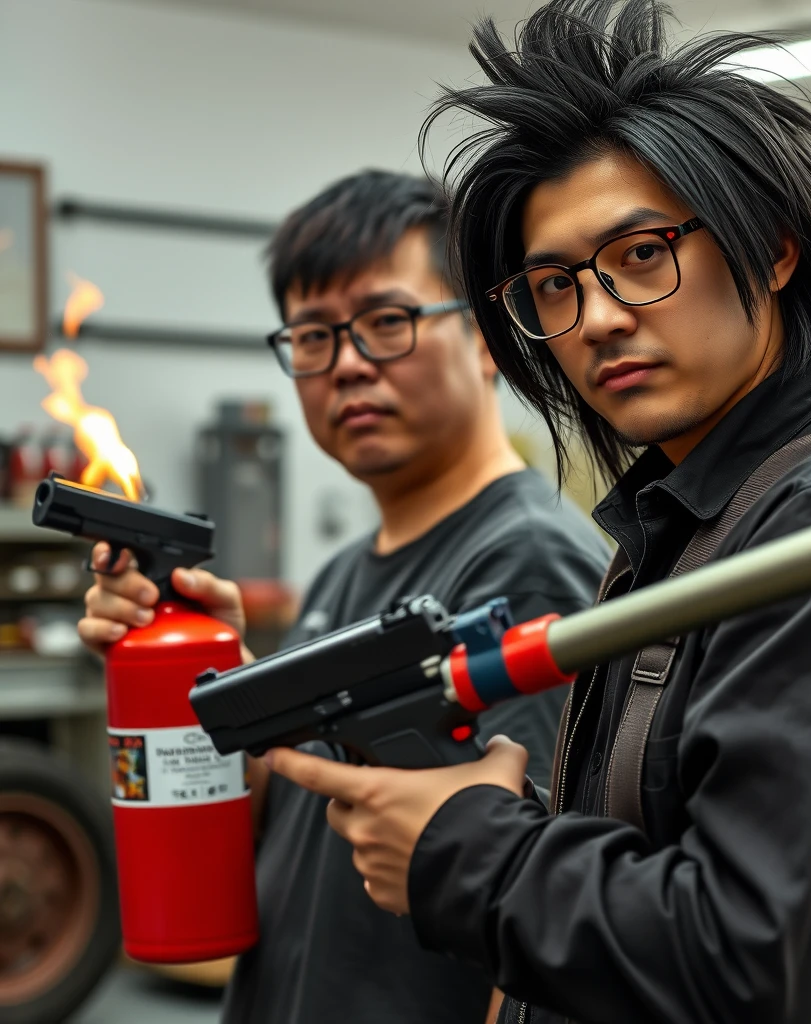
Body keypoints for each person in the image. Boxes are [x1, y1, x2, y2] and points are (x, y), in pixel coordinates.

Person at [261, 4, 811, 1023]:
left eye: (640, 254)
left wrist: (466, 848)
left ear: (775, 246)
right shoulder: (693, 516)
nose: (601, 317)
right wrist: (491, 818)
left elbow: (751, 961)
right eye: (554, 285)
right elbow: (664, 850)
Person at [76, 169, 610, 1024]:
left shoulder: (525, 565)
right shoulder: (347, 572)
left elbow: (538, 906)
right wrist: (219, 682)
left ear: (483, 338)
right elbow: (283, 821)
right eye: (314, 336)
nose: (349, 364)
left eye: (387, 323)